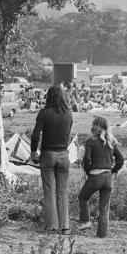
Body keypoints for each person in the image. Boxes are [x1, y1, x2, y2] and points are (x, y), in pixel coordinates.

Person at [31, 85, 74, 234]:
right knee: (62, 192)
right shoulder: (69, 113)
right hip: (63, 154)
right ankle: (65, 227)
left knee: (49, 192)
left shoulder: (44, 113)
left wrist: (33, 152)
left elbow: (36, 135)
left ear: (48, 97)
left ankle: (52, 226)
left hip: (48, 154)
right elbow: (67, 133)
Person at [77, 116, 125, 238]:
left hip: (95, 176)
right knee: (104, 208)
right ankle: (102, 236)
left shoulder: (91, 141)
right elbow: (121, 159)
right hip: (108, 177)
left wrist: (88, 171)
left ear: (95, 126)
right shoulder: (112, 142)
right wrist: (113, 171)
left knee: (83, 197)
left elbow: (86, 159)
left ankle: (85, 221)